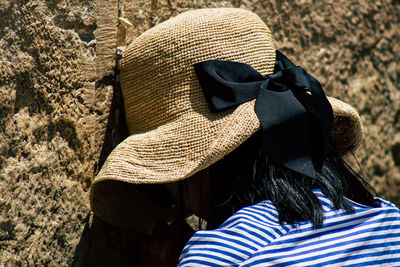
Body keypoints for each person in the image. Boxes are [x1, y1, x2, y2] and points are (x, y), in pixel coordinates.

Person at [89, 8, 400, 266]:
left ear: (194, 165)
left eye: (160, 187)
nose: (168, 203)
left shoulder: (218, 258)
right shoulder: (388, 220)